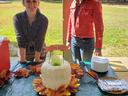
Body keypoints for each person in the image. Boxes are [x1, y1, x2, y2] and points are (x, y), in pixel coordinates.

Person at [66, 0, 104, 64]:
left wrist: (98, 47)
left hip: (87, 42)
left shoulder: (95, 3)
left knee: (86, 67)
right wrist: (68, 39)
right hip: (74, 40)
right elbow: (70, 21)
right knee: (76, 65)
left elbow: (99, 27)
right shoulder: (74, 2)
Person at [13, 0, 48, 64]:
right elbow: (20, 38)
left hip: (40, 54)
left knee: (37, 73)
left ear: (38, 3)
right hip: (23, 54)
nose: (31, 4)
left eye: (34, 1)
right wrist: (22, 60)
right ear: (23, 3)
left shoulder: (44, 19)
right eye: (28, 1)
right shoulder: (17, 18)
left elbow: (39, 39)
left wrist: (37, 60)